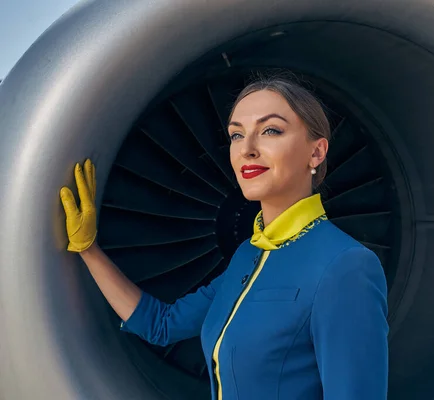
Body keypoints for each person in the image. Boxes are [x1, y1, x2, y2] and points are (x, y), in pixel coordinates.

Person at [59, 75, 389, 399]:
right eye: (235, 135)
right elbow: (161, 326)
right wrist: (89, 249)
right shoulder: (249, 255)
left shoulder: (346, 267)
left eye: (271, 130)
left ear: (316, 153)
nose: (247, 149)